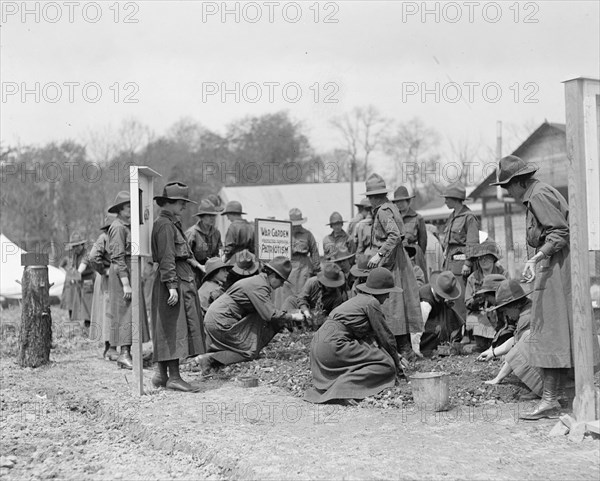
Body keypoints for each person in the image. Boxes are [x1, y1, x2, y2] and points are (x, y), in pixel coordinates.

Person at [491, 155, 600, 420]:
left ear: (518, 182)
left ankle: (554, 399)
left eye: (507, 187)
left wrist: (537, 257)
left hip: (558, 268)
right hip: (554, 266)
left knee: (551, 330)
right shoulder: (538, 193)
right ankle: (555, 398)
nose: (509, 193)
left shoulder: (538, 195)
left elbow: (559, 233)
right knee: (555, 331)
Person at [304, 267, 409, 404]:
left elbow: (372, 338)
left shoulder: (359, 300)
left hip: (319, 343)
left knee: (373, 358)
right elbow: (386, 338)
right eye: (387, 292)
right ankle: (343, 390)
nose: (388, 296)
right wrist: (397, 367)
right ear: (380, 291)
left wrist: (396, 355)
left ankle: (340, 386)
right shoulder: (372, 303)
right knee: (386, 366)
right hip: (334, 345)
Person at [193, 257, 304, 372]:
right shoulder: (259, 286)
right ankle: (210, 359)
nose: (281, 285)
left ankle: (213, 355)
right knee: (249, 352)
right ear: (273, 276)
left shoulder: (258, 281)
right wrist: (293, 316)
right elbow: (270, 315)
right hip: (221, 321)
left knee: (253, 336)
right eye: (281, 281)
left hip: (218, 319)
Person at [151, 182, 206, 392]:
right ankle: (173, 377)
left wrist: (196, 265)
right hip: (172, 279)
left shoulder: (171, 223)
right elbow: (167, 258)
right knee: (174, 326)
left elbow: (180, 253)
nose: (184, 206)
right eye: (182, 202)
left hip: (176, 276)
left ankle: (161, 375)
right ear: (172, 203)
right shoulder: (165, 225)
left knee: (169, 325)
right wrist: (172, 286)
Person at [363, 173, 422, 360]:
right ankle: (403, 350)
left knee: (391, 304)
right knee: (398, 305)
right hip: (396, 259)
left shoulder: (382, 211)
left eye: (370, 197)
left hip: (391, 261)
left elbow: (394, 235)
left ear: (374, 197)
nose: (370, 201)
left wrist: (379, 254)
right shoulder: (391, 207)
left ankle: (400, 351)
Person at [477, 279, 541, 400]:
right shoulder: (528, 308)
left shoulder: (526, 318)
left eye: (506, 310)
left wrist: (498, 378)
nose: (507, 315)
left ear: (515, 305)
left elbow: (518, 348)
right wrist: (493, 352)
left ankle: (540, 388)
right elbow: (516, 340)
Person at [106, 191, 150, 370]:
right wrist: (125, 283)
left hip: (131, 271)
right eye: (127, 207)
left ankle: (129, 351)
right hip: (122, 273)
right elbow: (117, 257)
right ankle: (124, 354)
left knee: (133, 312)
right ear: (120, 210)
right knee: (126, 312)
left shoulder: (129, 225)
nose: (131, 210)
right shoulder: (117, 227)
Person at [440, 182, 480, 322]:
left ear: (455, 198)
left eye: (447, 198)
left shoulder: (469, 217)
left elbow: (472, 242)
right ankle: (456, 334)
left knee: (461, 298)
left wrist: (468, 263)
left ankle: (466, 334)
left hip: (461, 265)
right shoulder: (452, 216)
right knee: (450, 298)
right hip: (449, 264)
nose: (445, 201)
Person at [273, 208, 320, 309]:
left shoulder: (307, 234)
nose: (296, 226)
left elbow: (314, 252)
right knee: (285, 294)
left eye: (298, 224)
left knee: (303, 294)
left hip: (303, 267)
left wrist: (316, 268)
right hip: (287, 266)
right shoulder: (283, 234)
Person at [464, 239, 505, 350]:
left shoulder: (503, 274)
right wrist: (478, 301)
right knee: (473, 322)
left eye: (487, 257)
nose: (483, 260)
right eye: (480, 258)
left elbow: (510, 295)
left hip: (500, 311)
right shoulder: (473, 278)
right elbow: (467, 302)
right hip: (480, 314)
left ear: (493, 258)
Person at [283, 262, 347, 330]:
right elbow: (302, 298)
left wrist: (323, 319)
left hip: (320, 317)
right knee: (290, 301)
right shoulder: (312, 282)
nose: (330, 287)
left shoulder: (337, 296)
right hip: (305, 310)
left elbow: (334, 315)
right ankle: (287, 326)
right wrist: (306, 312)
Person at [417, 271, 464, 356]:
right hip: (424, 329)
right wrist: (416, 350)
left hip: (436, 316)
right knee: (438, 328)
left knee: (454, 316)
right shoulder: (425, 303)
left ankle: (449, 344)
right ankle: (429, 349)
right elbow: (417, 328)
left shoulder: (440, 297)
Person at [89, 215, 115, 360]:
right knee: (107, 310)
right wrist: (104, 270)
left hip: (113, 275)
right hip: (106, 276)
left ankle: (111, 348)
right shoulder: (104, 238)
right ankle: (109, 348)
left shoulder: (114, 238)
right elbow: (93, 257)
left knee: (112, 310)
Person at [392, 185, 428, 281]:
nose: (399, 204)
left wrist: (418, 254)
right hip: (397, 255)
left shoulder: (417, 218)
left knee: (416, 280)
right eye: (397, 201)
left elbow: (423, 242)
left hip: (414, 255)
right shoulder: (392, 218)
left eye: (402, 201)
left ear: (408, 201)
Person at [60, 233, 94, 331]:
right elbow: (74, 268)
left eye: (76, 246)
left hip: (88, 281)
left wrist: (74, 276)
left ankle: (90, 325)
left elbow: (81, 268)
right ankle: (84, 325)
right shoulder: (75, 255)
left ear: (81, 245)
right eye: (73, 247)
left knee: (88, 302)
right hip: (80, 281)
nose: (74, 249)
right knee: (80, 304)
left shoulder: (87, 254)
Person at [185, 199, 223, 286]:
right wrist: (198, 265)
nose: (212, 218)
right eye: (209, 216)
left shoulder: (216, 233)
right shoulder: (192, 233)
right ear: (201, 217)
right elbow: (185, 255)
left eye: (214, 215)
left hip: (210, 272)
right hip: (193, 273)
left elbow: (217, 252)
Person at [466, 273, 506, 352]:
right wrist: (494, 322)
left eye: (487, 297)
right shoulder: (499, 308)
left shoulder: (508, 308)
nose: (487, 300)